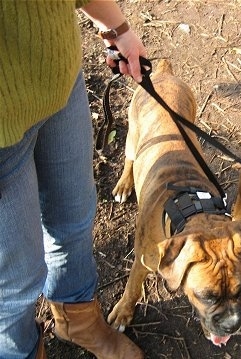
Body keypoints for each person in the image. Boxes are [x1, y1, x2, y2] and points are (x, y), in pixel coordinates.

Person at [0, 0, 147, 358]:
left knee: (75, 219)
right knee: (15, 281)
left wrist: (117, 29)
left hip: (58, 78)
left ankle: (77, 321)